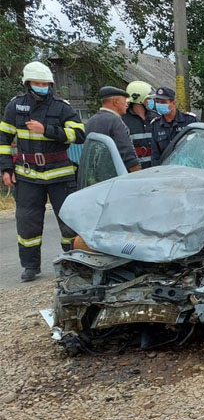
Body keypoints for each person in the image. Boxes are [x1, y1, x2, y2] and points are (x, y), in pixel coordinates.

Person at [0, 61, 86, 281]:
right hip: (27, 174)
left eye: (45, 84)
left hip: (60, 174)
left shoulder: (62, 107)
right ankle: (30, 266)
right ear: (28, 84)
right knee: (27, 223)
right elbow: (3, 139)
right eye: (37, 83)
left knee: (69, 221)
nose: (42, 87)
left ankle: (73, 263)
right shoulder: (15, 107)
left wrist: (46, 130)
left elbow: (79, 135)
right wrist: (6, 168)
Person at [85, 86, 141, 172]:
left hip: (99, 173)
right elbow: (126, 152)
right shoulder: (115, 120)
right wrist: (137, 174)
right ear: (116, 102)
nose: (127, 104)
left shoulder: (91, 121)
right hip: (117, 173)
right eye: (125, 101)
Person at [150, 86, 196, 165]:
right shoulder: (156, 124)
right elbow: (155, 155)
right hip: (166, 169)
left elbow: (198, 148)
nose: (159, 105)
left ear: (173, 103)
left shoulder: (189, 120)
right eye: (157, 102)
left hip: (188, 167)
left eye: (163, 102)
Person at [121, 80, 157, 168]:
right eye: (149, 98)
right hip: (134, 171)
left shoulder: (157, 117)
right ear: (139, 100)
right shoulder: (122, 120)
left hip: (156, 169)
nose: (152, 101)